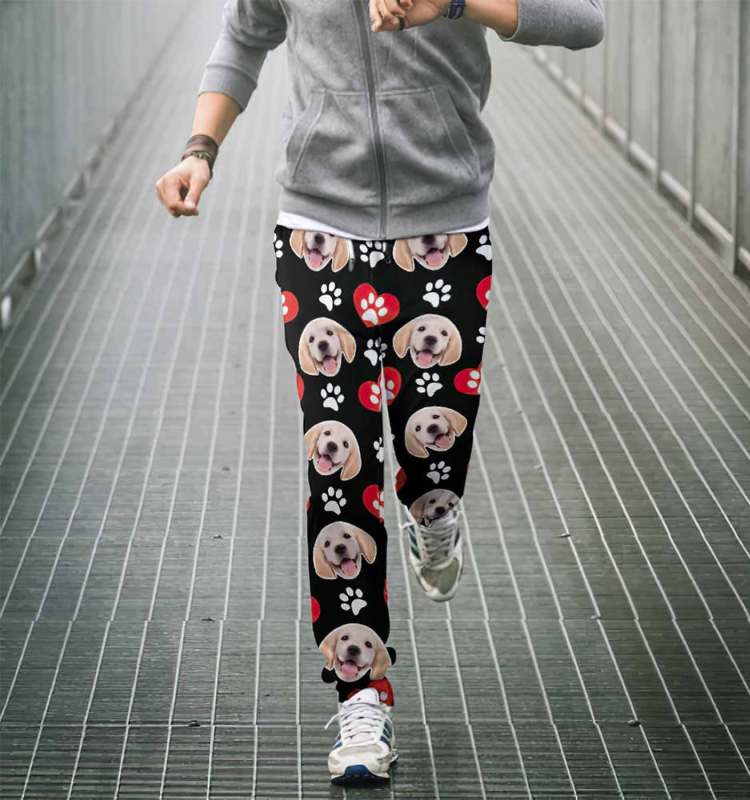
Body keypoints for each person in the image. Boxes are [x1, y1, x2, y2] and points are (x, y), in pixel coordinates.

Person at [155, 0, 605, 785]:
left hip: (446, 232)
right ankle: (361, 696)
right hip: (317, 232)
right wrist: (201, 149)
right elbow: (245, 36)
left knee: (433, 450)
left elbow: (583, 19)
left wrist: (452, 4)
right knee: (339, 467)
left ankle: (435, 508)